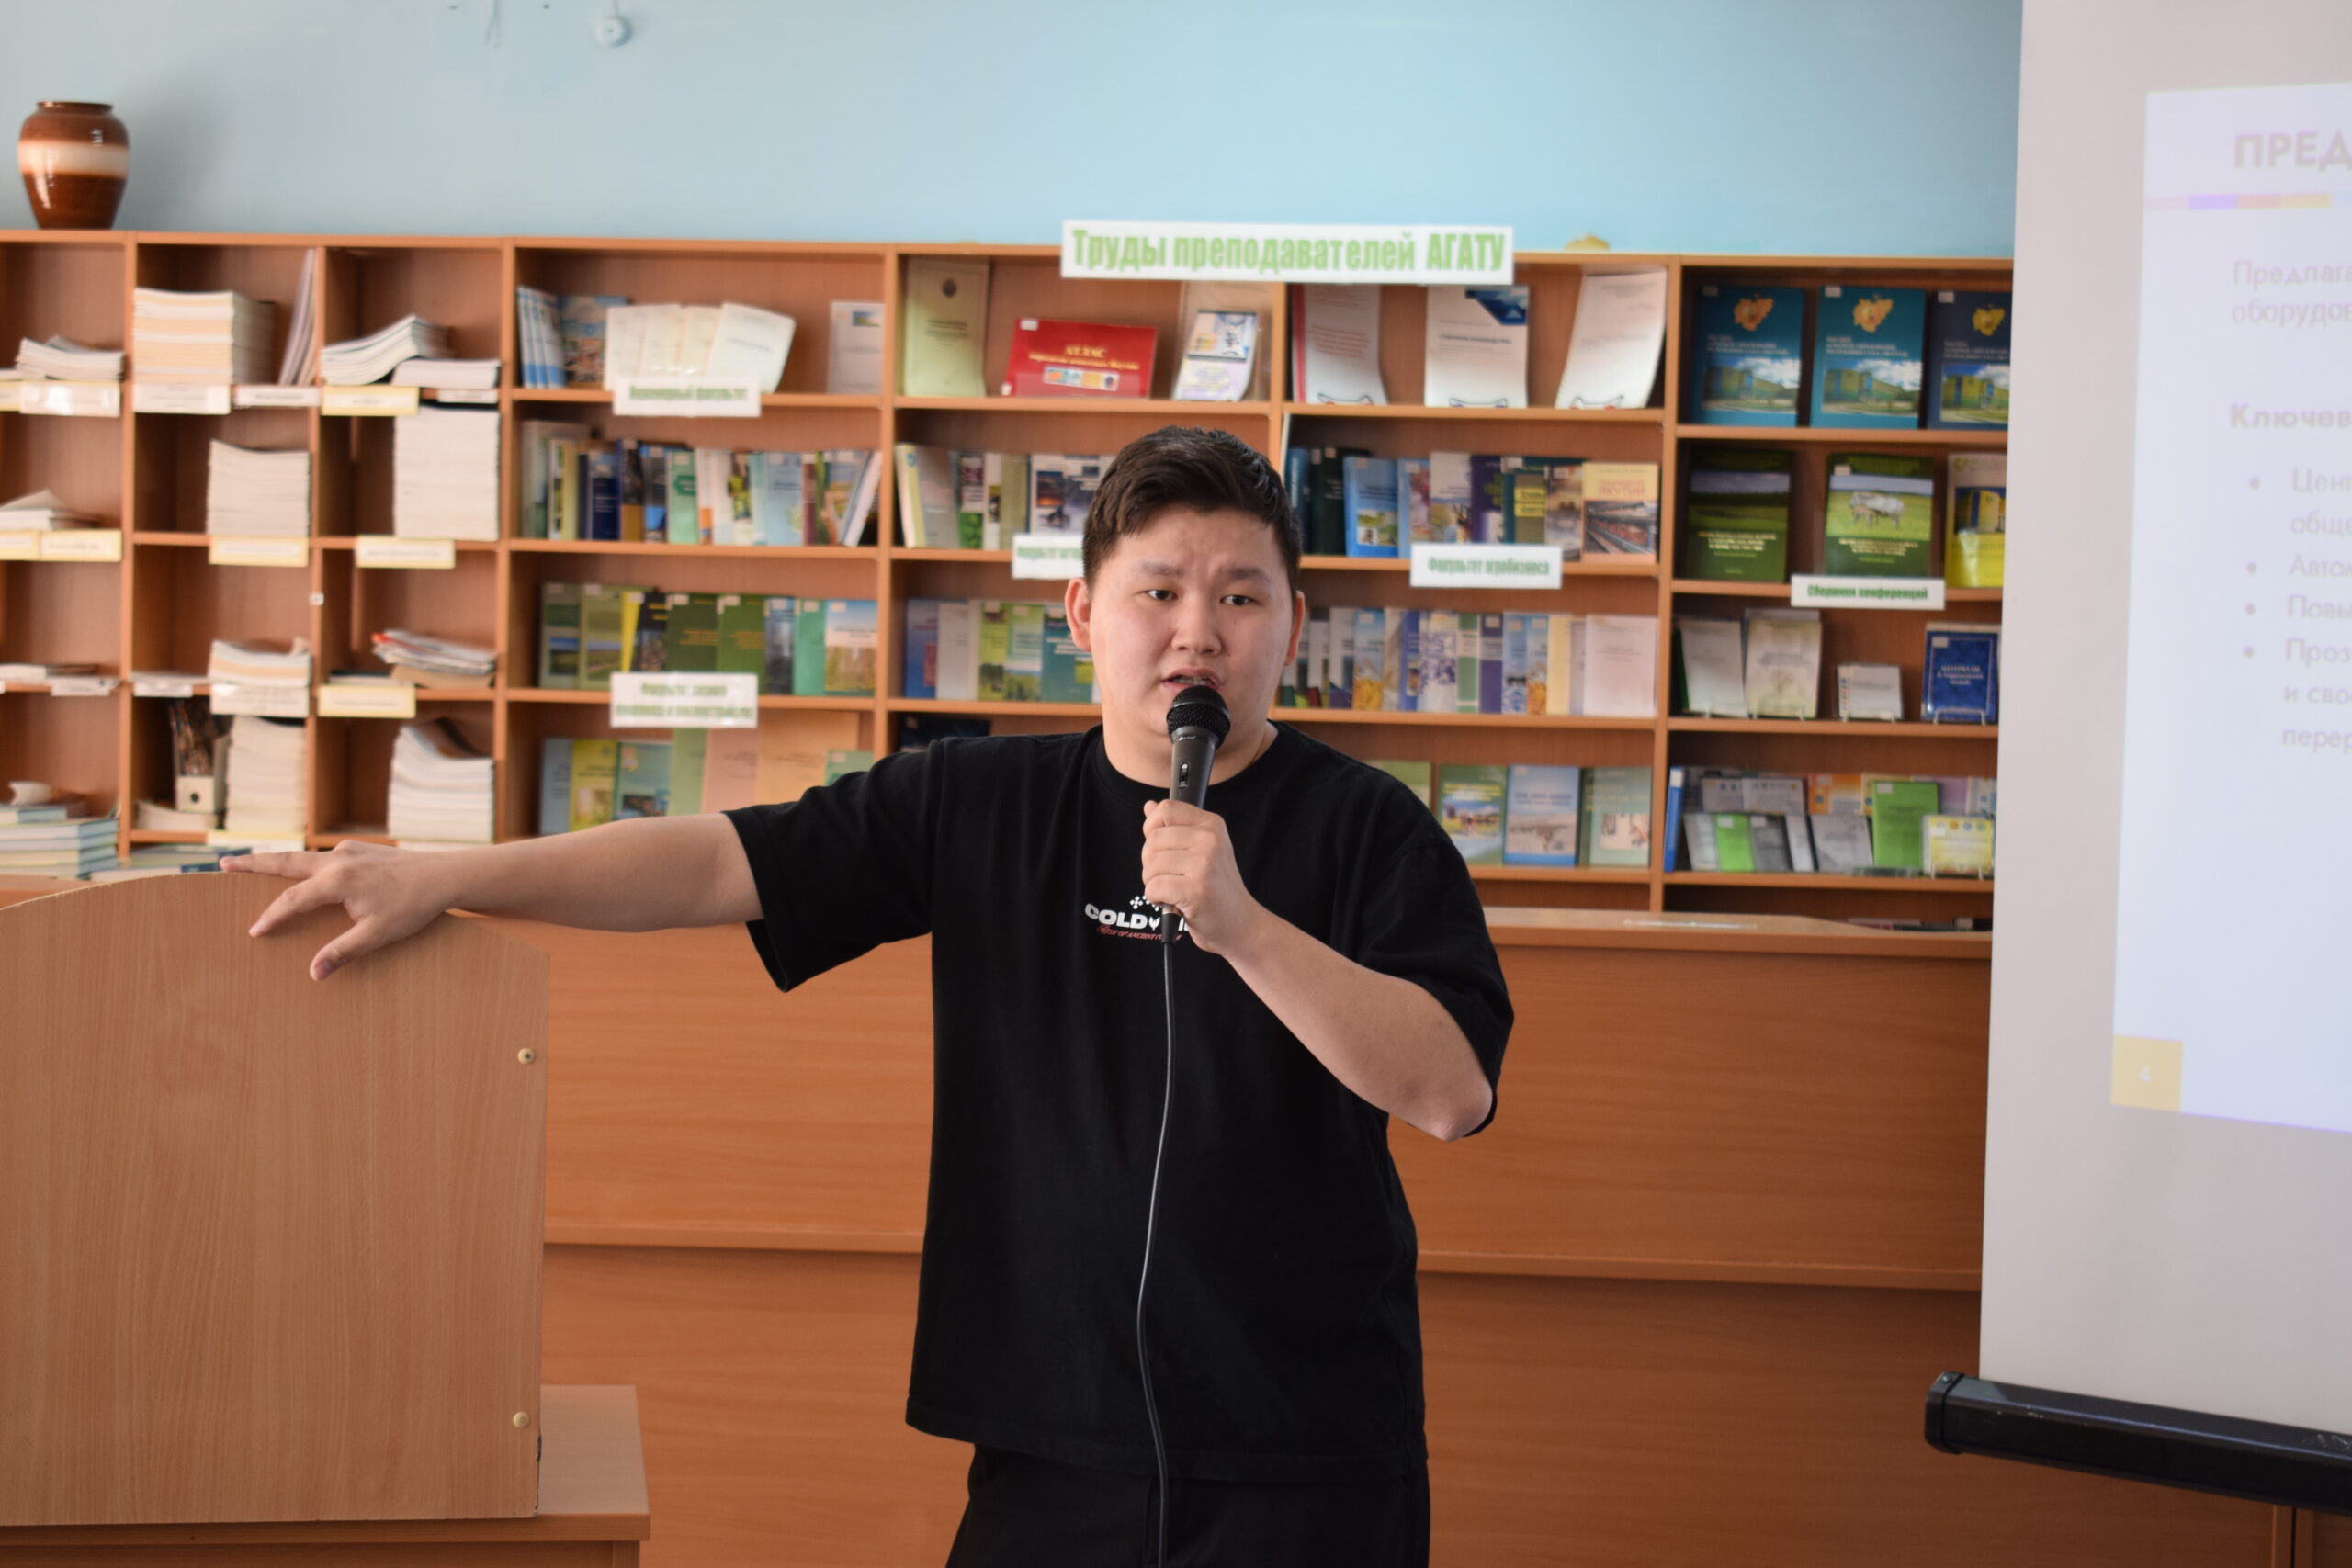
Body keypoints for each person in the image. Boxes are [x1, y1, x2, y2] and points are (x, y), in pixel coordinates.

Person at [228, 424, 1512, 1567]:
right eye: (1159, 590)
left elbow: (1450, 1089)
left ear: (1293, 622)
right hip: (1050, 1440)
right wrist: (446, 877)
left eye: (1240, 595)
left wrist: (1243, 927)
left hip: (1307, 1451)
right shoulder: (978, 802)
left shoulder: (1372, 831)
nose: (1199, 632)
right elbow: (715, 862)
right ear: (1080, 612)